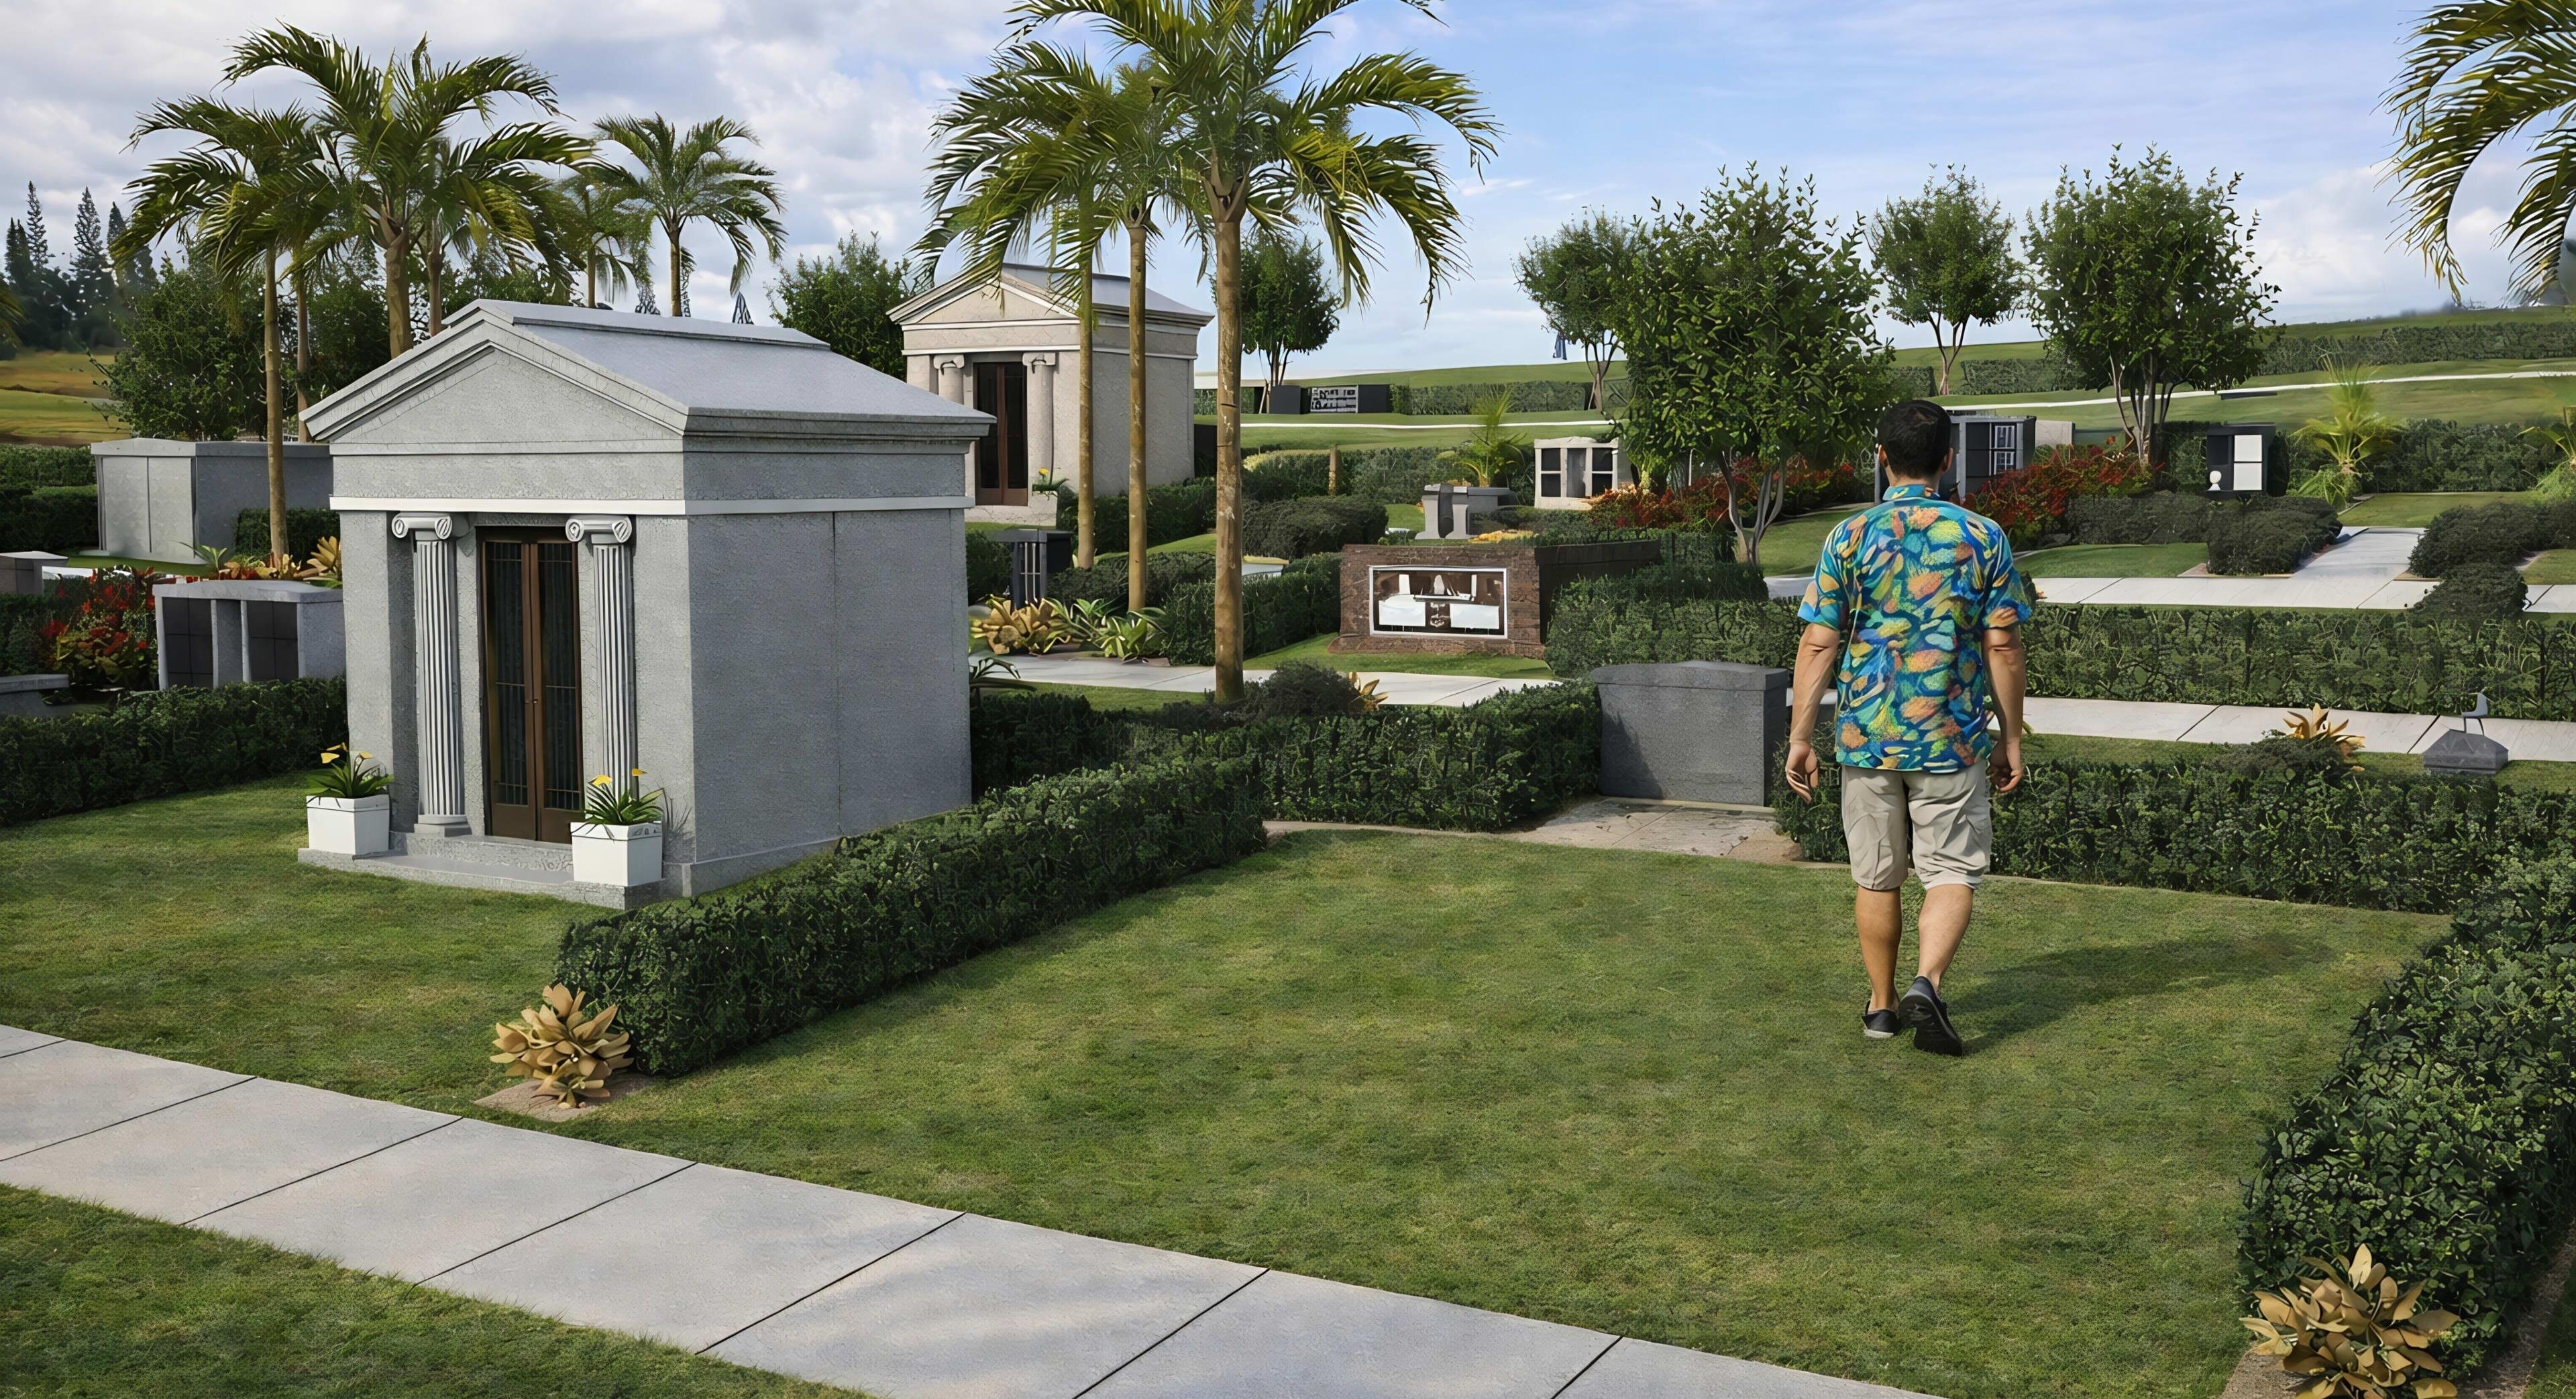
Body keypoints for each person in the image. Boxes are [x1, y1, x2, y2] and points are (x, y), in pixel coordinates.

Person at [1783, 400, 2030, 1056]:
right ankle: (1929, 981)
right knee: (1950, 871)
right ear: (1949, 459)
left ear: (1881, 457)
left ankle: (1883, 1006)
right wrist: (2011, 736)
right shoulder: (1983, 537)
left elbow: (1818, 642)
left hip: (1867, 740)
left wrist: (1801, 738)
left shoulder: (1849, 537)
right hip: (1950, 740)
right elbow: (2003, 645)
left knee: (1877, 877)